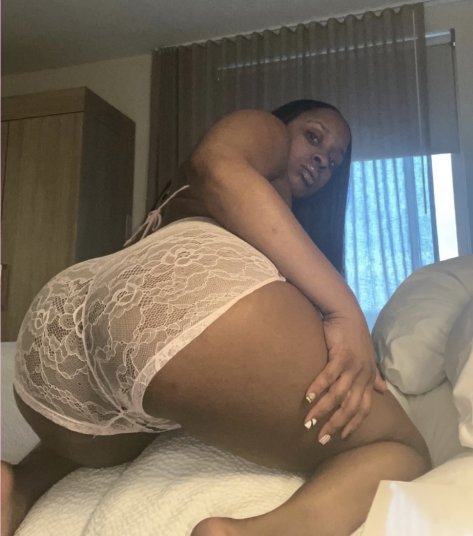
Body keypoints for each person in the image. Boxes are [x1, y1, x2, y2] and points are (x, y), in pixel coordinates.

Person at [2, 100, 430, 536]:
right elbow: (217, 163)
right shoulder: (267, 131)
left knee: (139, 414)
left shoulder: (259, 221)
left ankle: (18, 485)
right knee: (400, 446)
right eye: (314, 136)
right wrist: (346, 310)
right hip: (176, 291)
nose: (323, 160)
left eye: (335, 161)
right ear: (285, 124)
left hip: (56, 336)